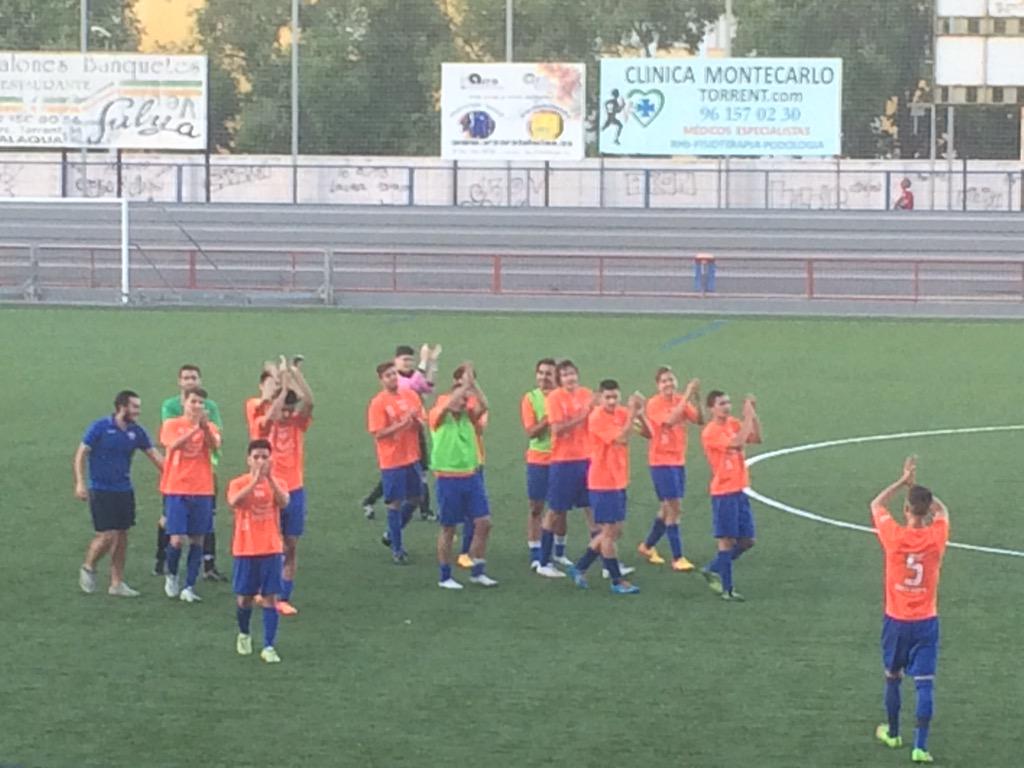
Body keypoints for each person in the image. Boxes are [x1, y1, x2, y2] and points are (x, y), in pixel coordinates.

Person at [871, 457, 948, 765]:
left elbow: (876, 504)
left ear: (906, 510)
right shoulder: (936, 535)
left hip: (896, 620)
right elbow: (942, 511)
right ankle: (921, 746)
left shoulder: (893, 535)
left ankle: (892, 732)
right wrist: (920, 491)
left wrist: (903, 482)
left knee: (892, 677)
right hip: (926, 621)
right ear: (927, 510)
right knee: (925, 683)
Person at [73, 390, 163, 597]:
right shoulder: (100, 427)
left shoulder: (136, 432)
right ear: (122, 407)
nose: (138, 411)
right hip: (101, 489)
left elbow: (156, 457)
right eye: (135, 407)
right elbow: (81, 454)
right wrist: (80, 482)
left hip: (124, 490)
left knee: (122, 535)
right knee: (107, 534)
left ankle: (117, 583)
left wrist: (177, 478)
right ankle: (89, 566)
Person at [250, 357, 314, 616]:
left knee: (291, 544)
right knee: (270, 545)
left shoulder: (298, 423)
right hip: (269, 489)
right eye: (284, 409)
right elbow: (268, 418)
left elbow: (309, 402)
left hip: (295, 488)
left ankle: (282, 597)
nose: (287, 414)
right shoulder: (262, 422)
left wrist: (295, 374)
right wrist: (283, 389)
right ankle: (264, 590)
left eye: (290, 409)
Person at [567, 380, 643, 594]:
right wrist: (633, 413)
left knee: (615, 530)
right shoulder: (597, 418)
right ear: (600, 398)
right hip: (603, 481)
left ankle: (580, 567)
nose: (611, 401)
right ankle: (616, 581)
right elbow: (621, 437)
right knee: (609, 532)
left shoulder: (621, 413)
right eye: (607, 397)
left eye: (615, 397)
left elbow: (646, 432)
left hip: (618, 479)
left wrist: (639, 412)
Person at [429, 363, 497, 589]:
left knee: (484, 522)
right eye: (460, 398)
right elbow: (449, 403)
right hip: (448, 478)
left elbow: (485, 405)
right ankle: (444, 575)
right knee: (449, 527)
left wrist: (472, 385)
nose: (463, 401)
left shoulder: (469, 419)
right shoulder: (439, 415)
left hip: (471, 475)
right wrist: (463, 386)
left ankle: (478, 569)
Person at [157, 364, 225, 581]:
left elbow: (215, 445)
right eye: (192, 401)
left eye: (199, 402)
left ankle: (192, 582)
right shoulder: (171, 418)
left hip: (202, 484)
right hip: (176, 484)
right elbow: (172, 445)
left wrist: (203, 427)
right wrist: (195, 428)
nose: (197, 405)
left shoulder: (210, 418)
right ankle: (168, 569)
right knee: (175, 536)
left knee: (199, 536)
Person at [361, 343, 441, 521]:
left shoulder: (410, 378)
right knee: (401, 474)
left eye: (410, 360)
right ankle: (421, 511)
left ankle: (420, 509)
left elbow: (428, 386)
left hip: (413, 429)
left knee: (416, 471)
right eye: (404, 360)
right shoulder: (401, 382)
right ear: (395, 361)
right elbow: (414, 384)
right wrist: (424, 361)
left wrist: (432, 363)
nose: (408, 363)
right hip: (399, 436)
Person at [228, 439, 291, 664]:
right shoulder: (238, 483)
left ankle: (269, 645)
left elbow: (284, 502)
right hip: (245, 548)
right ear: (249, 460)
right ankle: (244, 633)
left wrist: (269, 479)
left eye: (265, 457)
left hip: (271, 547)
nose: (261, 461)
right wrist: (254, 481)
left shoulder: (279, 482)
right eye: (257, 457)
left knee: (270, 597)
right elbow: (234, 502)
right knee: (244, 598)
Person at [636, 367, 703, 572]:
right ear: (658, 385)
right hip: (661, 461)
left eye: (671, 380)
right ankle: (677, 556)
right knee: (674, 508)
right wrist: (688, 395)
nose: (668, 384)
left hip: (677, 460)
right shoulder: (654, 404)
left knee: (667, 508)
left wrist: (697, 399)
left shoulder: (681, 399)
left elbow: (700, 420)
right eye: (664, 381)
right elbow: (669, 421)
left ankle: (647, 546)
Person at [534, 360, 594, 579]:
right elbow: (557, 429)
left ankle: (605, 561)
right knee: (556, 510)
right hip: (564, 461)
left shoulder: (587, 394)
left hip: (586, 458)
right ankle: (543, 561)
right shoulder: (555, 398)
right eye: (565, 375)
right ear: (560, 379)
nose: (570, 378)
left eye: (572, 373)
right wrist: (583, 415)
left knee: (592, 508)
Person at [700, 390, 761, 601]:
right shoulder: (711, 432)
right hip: (724, 491)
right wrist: (748, 417)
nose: (726, 406)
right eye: (721, 403)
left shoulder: (732, 423)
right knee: (726, 540)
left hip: (739, 488)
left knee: (747, 540)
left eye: (727, 402)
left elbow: (755, 437)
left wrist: (753, 415)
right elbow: (737, 443)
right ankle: (727, 588)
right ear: (711, 408)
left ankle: (713, 568)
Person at [366, 361, 425, 563]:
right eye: (388, 375)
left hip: (412, 456)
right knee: (394, 503)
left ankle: (392, 534)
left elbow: (421, 422)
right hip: (392, 460)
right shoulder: (378, 403)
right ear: (381, 380)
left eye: (394, 374)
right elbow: (379, 433)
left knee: (417, 498)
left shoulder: (411, 396)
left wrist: (415, 421)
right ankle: (397, 549)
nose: (392, 378)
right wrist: (401, 424)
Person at [521, 358, 557, 570]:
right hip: (538, 458)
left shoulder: (563, 397)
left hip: (561, 459)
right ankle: (535, 550)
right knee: (536, 507)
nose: (544, 377)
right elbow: (531, 431)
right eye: (541, 373)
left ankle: (557, 550)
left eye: (548, 373)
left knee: (558, 509)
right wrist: (548, 419)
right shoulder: (530, 398)